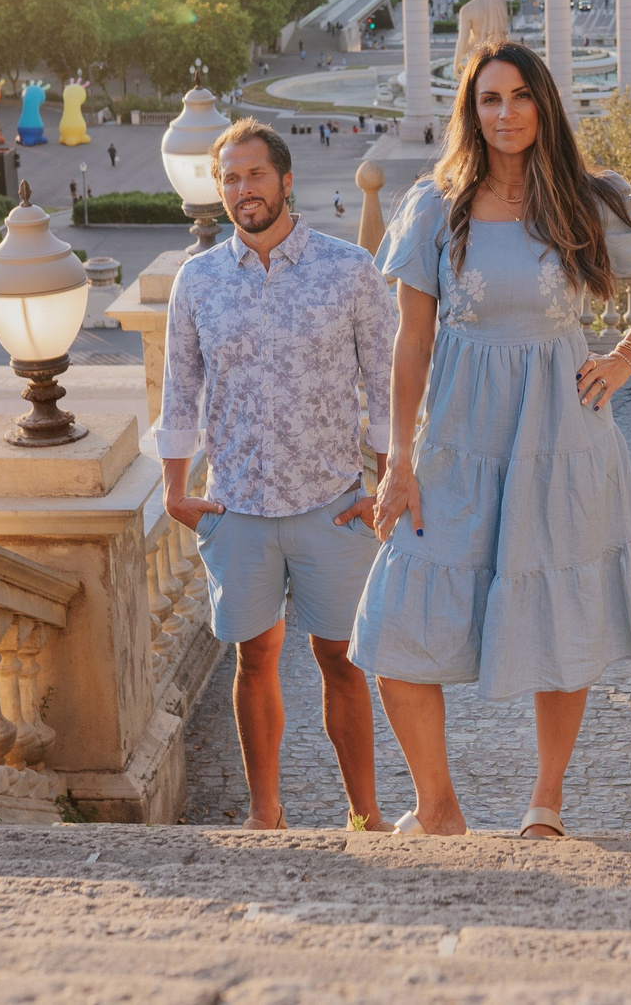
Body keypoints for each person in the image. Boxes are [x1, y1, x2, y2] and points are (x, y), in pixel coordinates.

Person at [358, 40, 631, 838]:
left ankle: (547, 802)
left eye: (517, 96)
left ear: (542, 103)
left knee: (558, 616)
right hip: (457, 441)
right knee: (395, 626)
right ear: (470, 113)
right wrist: (398, 460)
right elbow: (411, 341)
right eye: (487, 100)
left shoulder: (585, 200)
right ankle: (439, 807)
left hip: (562, 435)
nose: (503, 113)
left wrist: (626, 355)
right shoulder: (434, 207)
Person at [155, 121, 396, 831]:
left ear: (285, 181)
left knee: (343, 661)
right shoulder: (197, 281)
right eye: (229, 179)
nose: (242, 190)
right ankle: (266, 813)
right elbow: (179, 390)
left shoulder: (349, 269)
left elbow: (384, 385)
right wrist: (175, 488)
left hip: (332, 502)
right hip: (239, 507)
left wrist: (384, 483)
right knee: (253, 660)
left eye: (254, 175)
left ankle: (367, 813)